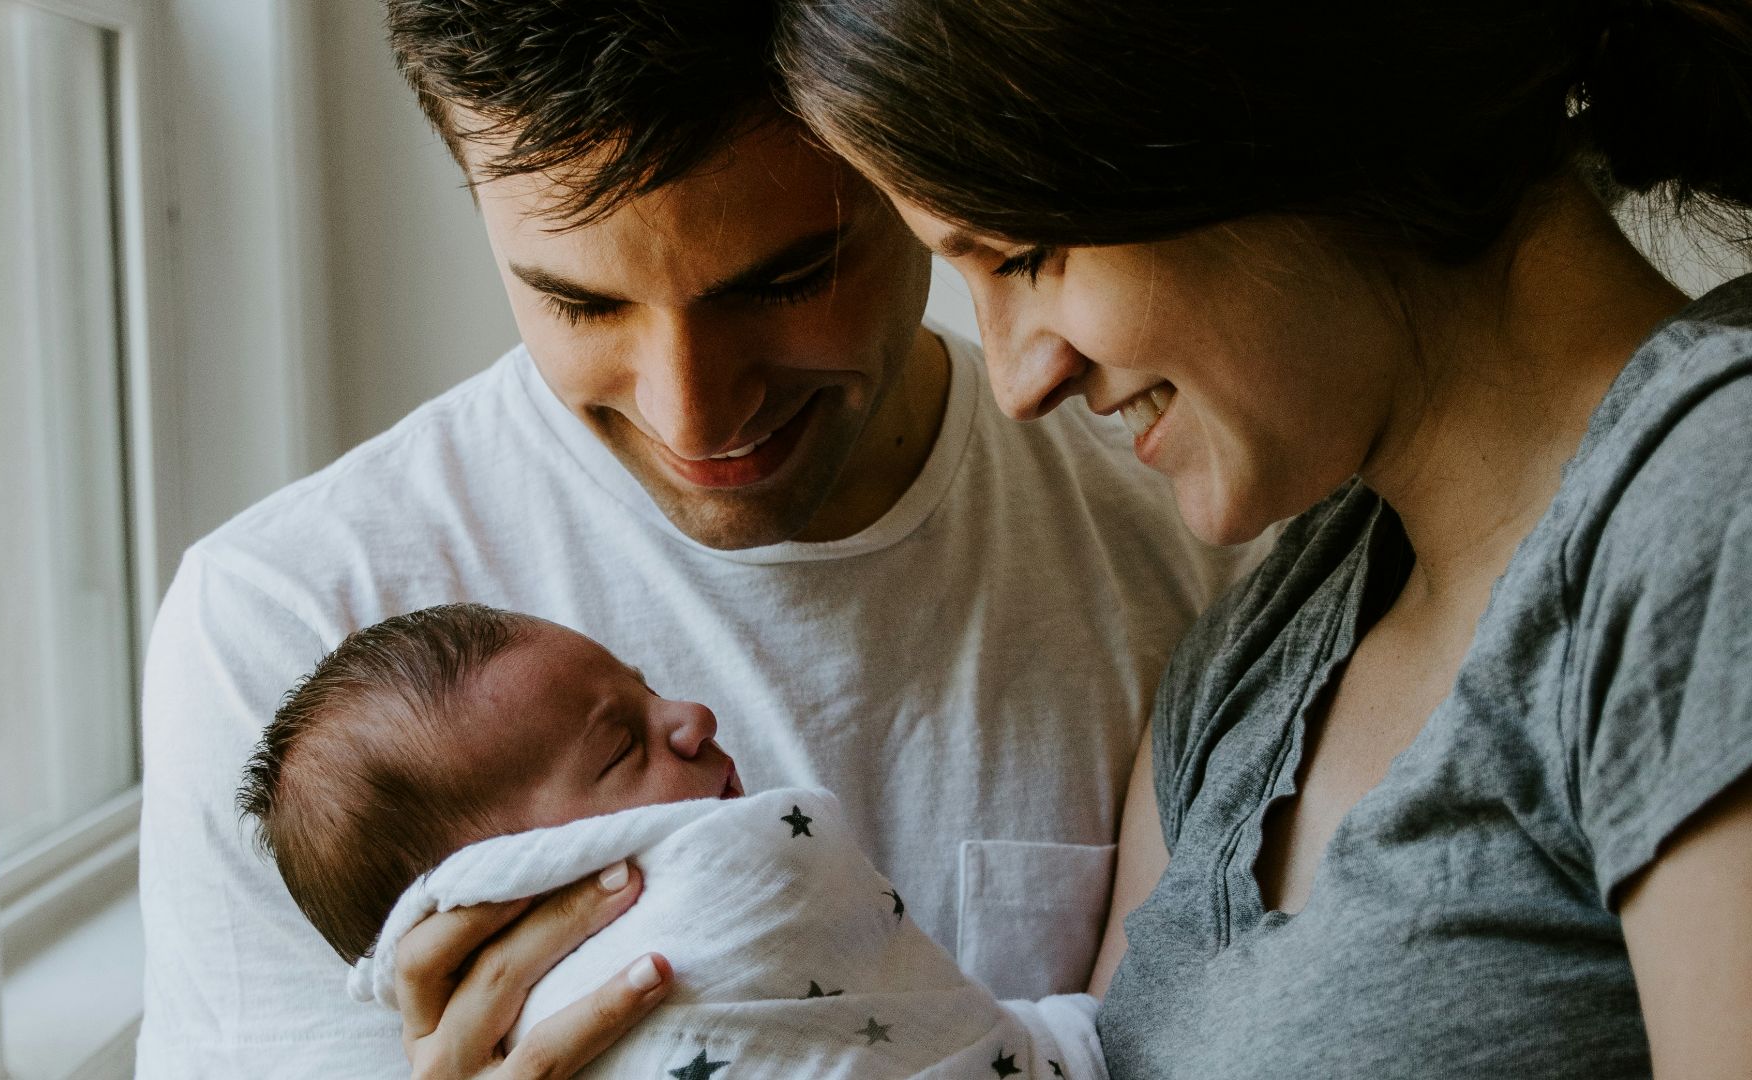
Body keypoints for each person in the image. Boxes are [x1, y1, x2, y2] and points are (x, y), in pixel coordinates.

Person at [132, 1, 1255, 1076]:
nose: (695, 419)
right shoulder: (284, 633)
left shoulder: (1212, 540)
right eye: (580, 303)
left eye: (787, 280)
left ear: (916, 175)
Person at [762, 0, 1752, 1077]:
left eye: (1028, 256)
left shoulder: (1709, 506)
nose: (1018, 382)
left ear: (1271, 119)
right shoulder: (1256, 656)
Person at [239, 603, 1109, 1079]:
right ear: (505, 888)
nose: (692, 717)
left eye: (647, 688)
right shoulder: (259, 599)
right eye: (621, 746)